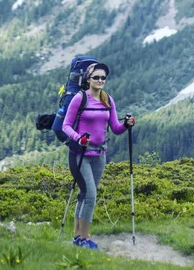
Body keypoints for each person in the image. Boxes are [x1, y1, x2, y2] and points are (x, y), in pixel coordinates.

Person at [62, 61, 136, 250]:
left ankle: (77, 237)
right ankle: (85, 239)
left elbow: (115, 128)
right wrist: (79, 139)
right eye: (96, 77)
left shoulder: (107, 100)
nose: (100, 80)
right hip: (80, 154)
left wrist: (127, 125)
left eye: (103, 77)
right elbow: (66, 126)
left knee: (85, 194)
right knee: (91, 195)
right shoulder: (80, 99)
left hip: (100, 155)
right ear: (88, 79)